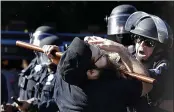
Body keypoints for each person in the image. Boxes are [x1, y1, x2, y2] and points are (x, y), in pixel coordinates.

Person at [14, 37, 152, 112]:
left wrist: (60, 60)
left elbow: (66, 67)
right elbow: (147, 85)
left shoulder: (63, 77)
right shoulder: (107, 91)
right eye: (100, 54)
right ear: (91, 73)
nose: (105, 53)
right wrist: (122, 51)